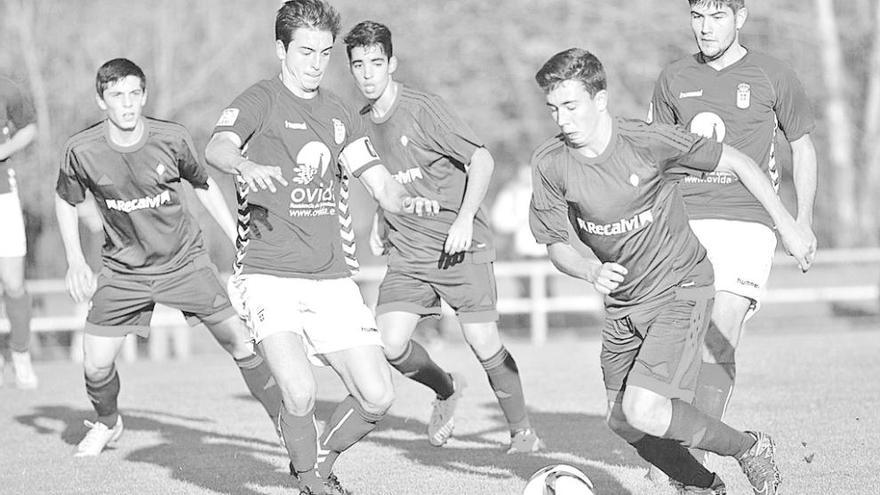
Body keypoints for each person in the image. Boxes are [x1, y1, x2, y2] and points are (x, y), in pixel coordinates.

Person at [529, 48, 814, 494]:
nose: (562, 119)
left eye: (571, 106)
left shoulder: (646, 142)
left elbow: (736, 160)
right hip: (625, 303)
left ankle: (747, 448)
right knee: (622, 421)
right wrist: (587, 269)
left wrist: (788, 224)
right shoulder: (550, 163)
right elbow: (554, 243)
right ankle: (706, 485)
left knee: (644, 409)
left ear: (600, 99)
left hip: (680, 287)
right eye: (553, 109)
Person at [204, 3, 439, 494]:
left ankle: (319, 457)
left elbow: (379, 181)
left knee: (377, 396)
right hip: (268, 275)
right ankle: (311, 480)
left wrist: (405, 199)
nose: (316, 62)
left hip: (331, 277)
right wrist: (242, 166)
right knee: (300, 389)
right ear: (281, 50)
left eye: (325, 53)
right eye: (306, 51)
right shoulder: (260, 100)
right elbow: (218, 146)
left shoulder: (337, 113)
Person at [55, 58, 282, 458]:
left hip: (185, 262)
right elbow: (64, 199)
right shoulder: (81, 150)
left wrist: (235, 238)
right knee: (95, 365)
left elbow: (204, 184)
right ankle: (108, 423)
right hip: (124, 271)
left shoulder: (171, 138)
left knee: (242, 343)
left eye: (133, 94)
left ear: (144, 96)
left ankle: (288, 428)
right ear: (101, 100)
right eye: (116, 95)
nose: (126, 104)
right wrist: (75, 259)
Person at [342, 20, 544, 453]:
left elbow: (482, 159)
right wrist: (381, 217)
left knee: (482, 341)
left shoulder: (423, 109)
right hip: (409, 252)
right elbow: (384, 181)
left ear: (392, 64)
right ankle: (447, 390)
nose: (368, 74)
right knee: (391, 344)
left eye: (376, 63)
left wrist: (464, 218)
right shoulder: (359, 125)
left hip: (459, 247)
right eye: (358, 65)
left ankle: (523, 432)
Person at [648, 0, 818, 462]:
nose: (705, 28)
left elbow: (801, 146)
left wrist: (800, 221)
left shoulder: (773, 74)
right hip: (684, 222)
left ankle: (692, 460)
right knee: (679, 338)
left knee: (720, 332)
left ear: (740, 18)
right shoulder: (673, 78)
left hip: (748, 220)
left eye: (717, 16)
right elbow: (655, 158)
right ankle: (682, 437)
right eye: (697, 17)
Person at [0, 75, 38, 389]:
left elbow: (29, 127)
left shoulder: (7, 88)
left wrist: (4, 149)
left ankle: (21, 353)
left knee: (13, 282)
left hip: (3, 195)